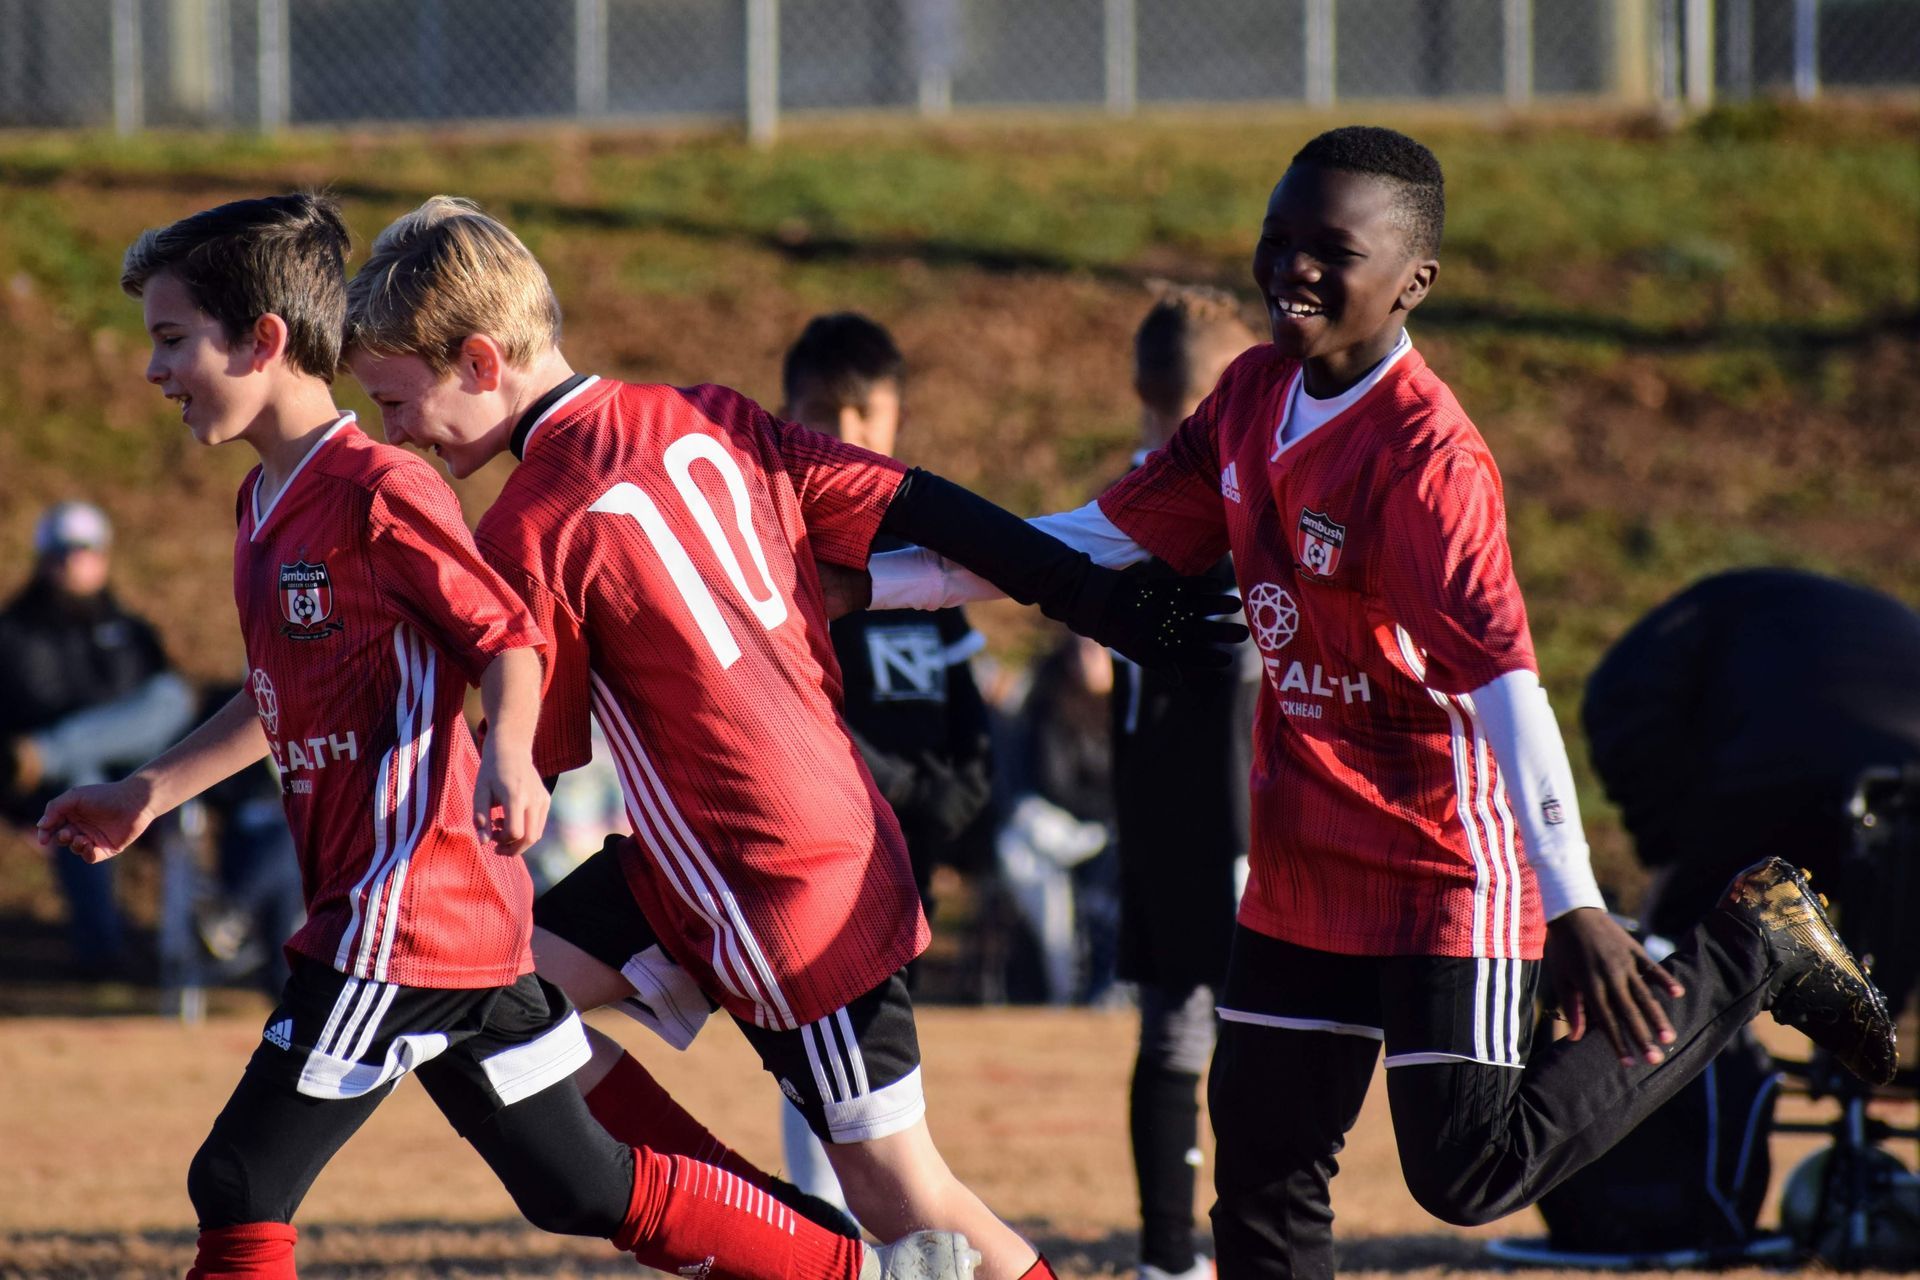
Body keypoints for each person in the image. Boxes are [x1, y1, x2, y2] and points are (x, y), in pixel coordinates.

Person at [862, 125, 1899, 1280]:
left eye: (1330, 249)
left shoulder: (1427, 461)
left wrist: (1572, 903)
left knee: (1467, 1170)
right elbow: (1091, 543)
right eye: (1276, 238)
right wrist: (866, 587)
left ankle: (1746, 944)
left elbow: (1507, 687)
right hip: (1305, 860)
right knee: (1260, 1169)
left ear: (1413, 282)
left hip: (1440, 861)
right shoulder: (1251, 396)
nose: (1290, 268)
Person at [38, 193, 973, 1280]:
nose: (153, 370)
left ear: (264, 340)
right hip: (438, 921)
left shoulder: (380, 489)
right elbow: (281, 692)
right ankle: (868, 1271)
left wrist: (517, 757)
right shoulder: (262, 505)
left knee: (239, 1183)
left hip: (402, 913)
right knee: (575, 1182)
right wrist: (147, 788)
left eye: (170, 339)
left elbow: (508, 636)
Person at [341, 196, 1243, 1280]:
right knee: (480, 993)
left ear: (480, 359)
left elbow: (538, 754)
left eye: (396, 399)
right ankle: (757, 1230)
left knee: (906, 1193)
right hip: (711, 863)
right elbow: (924, 507)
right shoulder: (705, 413)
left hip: (774, 876)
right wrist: (1093, 600)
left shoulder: (531, 520)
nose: (398, 434)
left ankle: (795, 1251)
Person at [776, 312, 996, 1212]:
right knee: (823, 1068)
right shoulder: (769, 560)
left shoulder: (930, 571)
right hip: (806, 871)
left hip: (903, 867)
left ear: (897, 419)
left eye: (867, 414)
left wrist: (936, 815)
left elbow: (971, 744)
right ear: (783, 416)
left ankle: (860, 1240)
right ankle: (829, 1231)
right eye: (824, 413)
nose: (847, 436)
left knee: (879, 1093)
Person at [1109, 288, 1260, 1280]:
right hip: (1232, 812)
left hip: (1153, 812)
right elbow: (1244, 680)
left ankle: (1171, 1253)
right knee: (1250, 1037)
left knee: (1174, 1027)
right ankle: (1250, 1241)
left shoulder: (1116, 505)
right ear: (1218, 402)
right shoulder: (1225, 508)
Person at [1584, 567, 1920, 938]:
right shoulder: (1867, 616)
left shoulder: (1652, 649)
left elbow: (1626, 722)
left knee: (1695, 951)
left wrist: (1668, 844)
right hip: (1899, 763)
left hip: (1782, 770)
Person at [0, 499, 198, 978]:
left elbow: (162, 710)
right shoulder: (14, 633)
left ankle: (46, 756)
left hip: (137, 766)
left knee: (173, 697)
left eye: (86, 549)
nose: (75, 561)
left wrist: (92, 735)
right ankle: (104, 955)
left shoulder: (132, 631)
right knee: (83, 789)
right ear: (44, 558)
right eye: (63, 551)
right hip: (56, 784)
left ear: (104, 556)